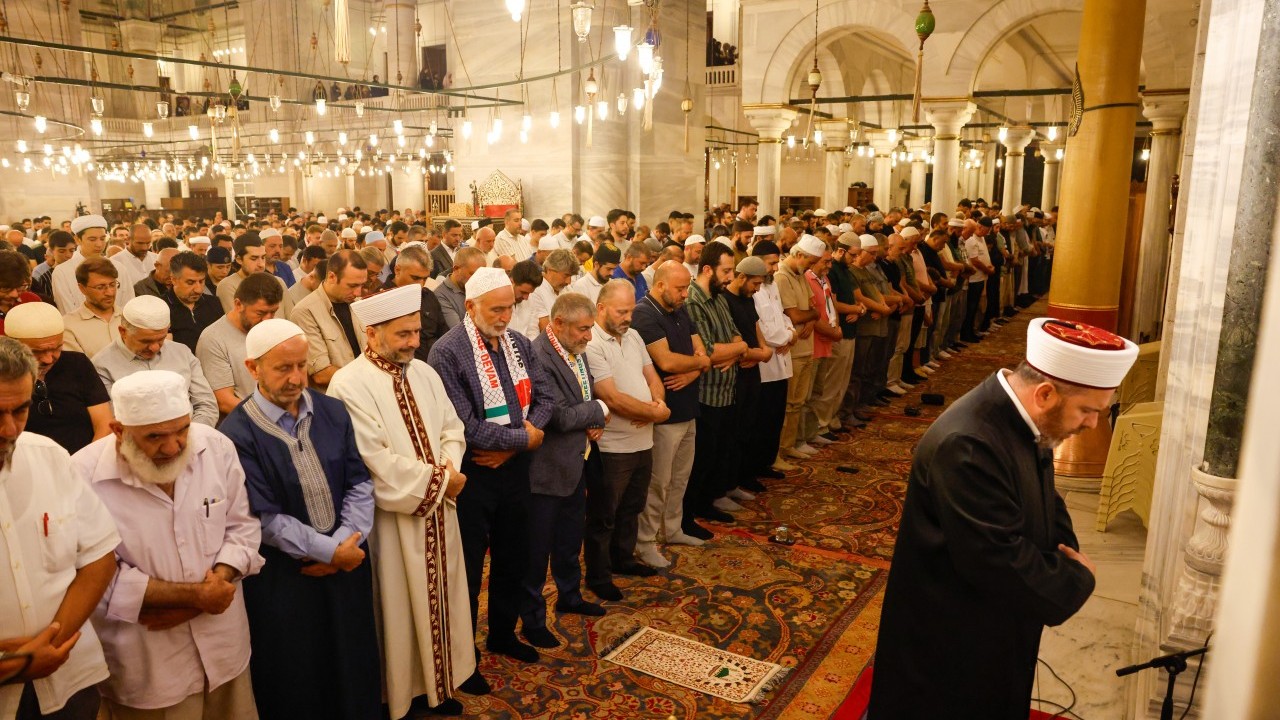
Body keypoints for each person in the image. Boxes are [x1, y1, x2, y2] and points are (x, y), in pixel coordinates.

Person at [868, 318, 1138, 718]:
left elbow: (1050, 502)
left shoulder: (1029, 419)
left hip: (994, 622)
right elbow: (994, 560)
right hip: (950, 639)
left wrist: (1060, 557)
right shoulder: (969, 443)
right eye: (1087, 410)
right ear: (1046, 393)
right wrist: (1076, 577)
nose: (1092, 424)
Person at [328, 285, 482, 715]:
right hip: (394, 523)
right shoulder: (349, 384)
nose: (415, 342)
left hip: (440, 510)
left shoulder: (424, 372)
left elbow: (452, 428)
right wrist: (440, 482)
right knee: (397, 611)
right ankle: (403, 697)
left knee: (444, 599)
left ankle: (440, 686)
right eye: (403, 335)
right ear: (371, 334)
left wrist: (449, 471)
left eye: (416, 331)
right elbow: (373, 461)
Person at [74, 370, 263, 719]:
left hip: (224, 646)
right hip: (149, 664)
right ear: (118, 431)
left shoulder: (214, 446)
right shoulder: (82, 476)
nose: (174, 446)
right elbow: (92, 576)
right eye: (156, 437)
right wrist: (196, 597)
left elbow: (242, 526)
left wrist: (217, 584)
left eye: (182, 430)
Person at [219, 320, 381, 720]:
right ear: (252, 367)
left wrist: (346, 545)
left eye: (301, 367)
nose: (296, 379)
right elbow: (264, 518)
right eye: (282, 368)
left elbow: (360, 482)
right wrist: (329, 551)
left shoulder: (333, 410)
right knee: (298, 673)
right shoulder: (236, 433)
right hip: (287, 578)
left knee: (353, 657)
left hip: (348, 564)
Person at [426, 268, 553, 666]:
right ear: (470, 306)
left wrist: (518, 446)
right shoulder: (447, 351)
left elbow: (545, 398)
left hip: (516, 471)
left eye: (510, 308)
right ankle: (463, 657)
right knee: (467, 569)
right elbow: (466, 425)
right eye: (496, 309)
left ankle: (502, 634)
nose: (504, 317)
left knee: (514, 557)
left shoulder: (517, 342)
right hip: (475, 475)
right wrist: (526, 439)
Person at [0, 337, 119, 720]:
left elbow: (99, 558)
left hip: (68, 680)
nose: (9, 430)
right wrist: (16, 664)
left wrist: (49, 646)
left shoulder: (48, 456)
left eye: (20, 411)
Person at [521, 292, 609, 647]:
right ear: (558, 324)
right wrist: (600, 409)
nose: (589, 336)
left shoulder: (574, 349)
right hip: (546, 468)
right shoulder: (539, 355)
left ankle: (570, 596)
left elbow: (580, 400)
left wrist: (592, 417)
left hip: (577, 460)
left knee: (570, 539)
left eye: (590, 328)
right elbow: (559, 416)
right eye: (584, 329)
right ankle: (532, 619)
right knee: (535, 549)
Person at [582, 280, 668, 592]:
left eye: (631, 310)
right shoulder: (591, 343)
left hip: (643, 440)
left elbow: (652, 377)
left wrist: (658, 404)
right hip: (613, 446)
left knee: (632, 507)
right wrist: (654, 414)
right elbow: (612, 397)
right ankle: (599, 576)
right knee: (604, 515)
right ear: (601, 308)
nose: (628, 317)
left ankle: (623, 558)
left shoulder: (632, 336)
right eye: (621, 311)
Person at [630, 263, 710, 551]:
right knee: (658, 482)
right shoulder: (645, 313)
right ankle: (646, 540)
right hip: (665, 412)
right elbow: (667, 361)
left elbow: (701, 349)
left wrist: (694, 368)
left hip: (688, 405)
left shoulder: (679, 308)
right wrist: (699, 363)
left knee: (680, 478)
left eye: (686, 287)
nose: (685, 294)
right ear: (661, 285)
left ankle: (672, 529)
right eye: (679, 288)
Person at [91, 296, 219, 427]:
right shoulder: (102, 365)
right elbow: (114, 420)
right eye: (146, 341)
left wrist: (189, 436)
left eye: (161, 339)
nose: (155, 348)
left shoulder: (181, 353)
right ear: (123, 331)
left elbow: (206, 405)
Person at [5, 302, 112, 454]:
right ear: (12, 344)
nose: (49, 359)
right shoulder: (5, 377)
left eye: (57, 348)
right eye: (37, 352)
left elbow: (104, 424)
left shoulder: (77, 364)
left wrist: (83, 466)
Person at [197, 274, 283, 416]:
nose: (268, 319)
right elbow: (224, 401)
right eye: (260, 313)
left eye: (273, 312)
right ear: (238, 305)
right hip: (247, 423)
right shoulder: (212, 339)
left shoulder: (274, 328)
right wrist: (269, 418)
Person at [289, 249, 368, 392]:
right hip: (337, 399)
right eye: (352, 285)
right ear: (331, 277)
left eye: (362, 285)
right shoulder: (305, 312)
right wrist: (369, 380)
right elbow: (321, 374)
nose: (358, 292)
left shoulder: (357, 303)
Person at [775, 236, 824, 461]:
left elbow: (814, 307)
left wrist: (812, 319)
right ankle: (780, 450)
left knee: (798, 402)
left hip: (806, 346)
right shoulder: (782, 277)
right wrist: (812, 316)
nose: (813, 267)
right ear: (799, 255)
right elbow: (794, 315)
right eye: (811, 262)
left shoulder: (801, 275)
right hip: (793, 350)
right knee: (787, 404)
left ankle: (790, 444)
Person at [385, 245, 447, 361]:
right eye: (415, 278)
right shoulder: (381, 299)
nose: (421, 284)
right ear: (397, 270)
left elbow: (444, 334)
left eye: (425, 279)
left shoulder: (428, 296)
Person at [164, 252, 224, 354]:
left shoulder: (214, 303)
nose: (198, 290)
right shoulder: (162, 308)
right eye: (190, 282)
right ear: (173, 280)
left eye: (201, 281)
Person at [52, 215, 108, 315]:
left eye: (102, 238)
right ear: (77, 239)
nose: (99, 244)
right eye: (92, 239)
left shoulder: (118, 267)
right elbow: (67, 312)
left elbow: (126, 305)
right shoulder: (63, 271)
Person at [528, 250, 579, 334]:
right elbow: (546, 330)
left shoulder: (567, 289)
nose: (568, 281)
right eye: (566, 275)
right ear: (549, 270)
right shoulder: (536, 290)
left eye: (571, 276)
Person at [435, 247, 486, 330]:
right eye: (472, 274)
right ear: (456, 269)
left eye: (480, 275)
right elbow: (459, 332)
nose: (477, 279)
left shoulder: (482, 287)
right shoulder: (441, 295)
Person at [110, 225, 157, 307]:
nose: (145, 247)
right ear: (128, 240)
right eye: (140, 243)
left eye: (148, 243)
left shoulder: (157, 259)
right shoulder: (114, 262)